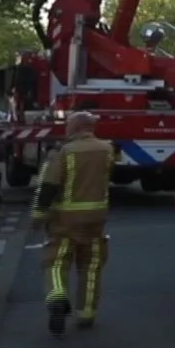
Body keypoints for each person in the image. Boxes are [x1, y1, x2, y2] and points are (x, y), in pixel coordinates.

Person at [29, 111, 114, 336]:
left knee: (56, 262)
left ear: (75, 128)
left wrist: (38, 215)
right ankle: (86, 313)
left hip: (65, 219)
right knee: (92, 264)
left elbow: (48, 187)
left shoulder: (63, 153)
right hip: (97, 217)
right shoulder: (107, 149)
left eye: (68, 125)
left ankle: (57, 299)